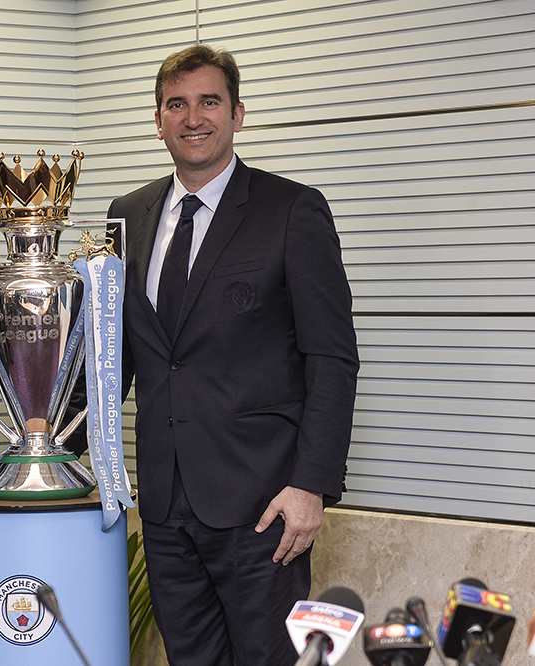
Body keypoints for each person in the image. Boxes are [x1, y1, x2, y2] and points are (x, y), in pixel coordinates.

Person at [109, 45, 359, 665]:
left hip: (263, 506)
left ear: (238, 114)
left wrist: (311, 485)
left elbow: (331, 357)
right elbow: (121, 356)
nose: (193, 117)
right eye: (177, 104)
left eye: (209, 102)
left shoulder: (292, 210)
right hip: (164, 505)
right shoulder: (127, 216)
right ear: (158, 119)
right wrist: (49, 434)